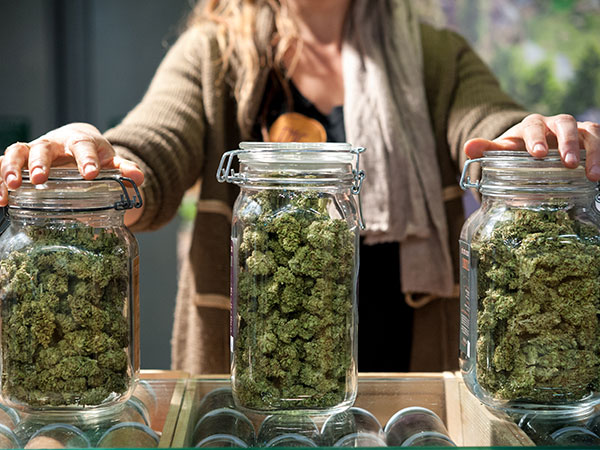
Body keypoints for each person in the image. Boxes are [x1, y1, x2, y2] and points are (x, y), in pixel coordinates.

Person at [1, 0, 599, 374]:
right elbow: (152, 146)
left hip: (408, 361)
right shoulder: (214, 55)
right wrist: (96, 161)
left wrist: (528, 140)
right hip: (254, 375)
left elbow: (488, 124)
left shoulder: (436, 56)